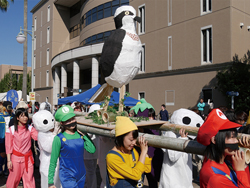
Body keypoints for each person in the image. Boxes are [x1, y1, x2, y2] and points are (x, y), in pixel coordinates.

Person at [197, 108, 250, 188]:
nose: (236, 141)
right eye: (232, 137)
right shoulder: (215, 178)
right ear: (214, 140)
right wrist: (240, 170)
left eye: (235, 137)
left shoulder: (225, 160)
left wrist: (244, 153)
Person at [48, 105, 96, 188]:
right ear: (62, 123)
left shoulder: (80, 135)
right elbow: (53, 161)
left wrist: (85, 135)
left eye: (72, 119)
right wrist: (50, 182)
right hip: (67, 176)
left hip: (81, 175)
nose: (71, 122)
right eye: (67, 120)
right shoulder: (58, 138)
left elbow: (92, 150)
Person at [106, 116, 152, 188]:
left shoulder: (132, 151)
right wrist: (143, 152)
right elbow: (136, 175)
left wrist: (145, 153)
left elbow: (147, 169)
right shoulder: (112, 157)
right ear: (121, 137)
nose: (134, 143)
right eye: (131, 140)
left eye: (135, 139)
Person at [5, 108, 38, 188]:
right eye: (22, 116)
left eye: (26, 115)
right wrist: (9, 160)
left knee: (29, 180)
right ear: (17, 118)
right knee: (13, 180)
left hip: (28, 159)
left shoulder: (30, 128)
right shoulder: (11, 130)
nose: (25, 118)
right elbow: (8, 146)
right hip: (16, 159)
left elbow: (38, 137)